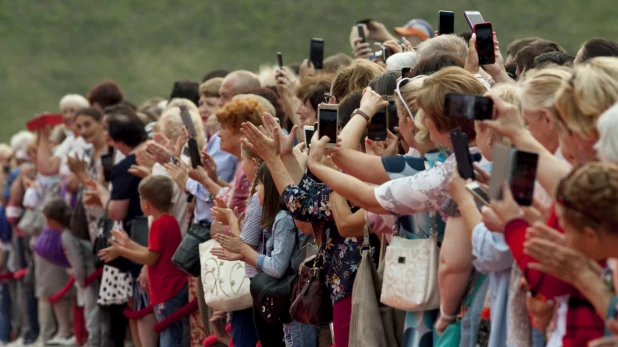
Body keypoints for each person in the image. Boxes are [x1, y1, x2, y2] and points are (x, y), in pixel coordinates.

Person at [212, 164, 319, 347]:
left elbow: (277, 268)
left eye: (260, 184)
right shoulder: (278, 217)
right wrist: (243, 255)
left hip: (292, 298)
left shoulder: (284, 219)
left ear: (272, 187)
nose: (255, 189)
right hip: (286, 299)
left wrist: (245, 251)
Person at [99, 175, 188, 347]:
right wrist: (128, 243)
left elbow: (150, 258)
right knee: (172, 334)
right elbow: (154, 253)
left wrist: (121, 251)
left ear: (146, 203)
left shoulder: (158, 224)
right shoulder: (169, 221)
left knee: (169, 337)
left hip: (166, 289)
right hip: (172, 286)